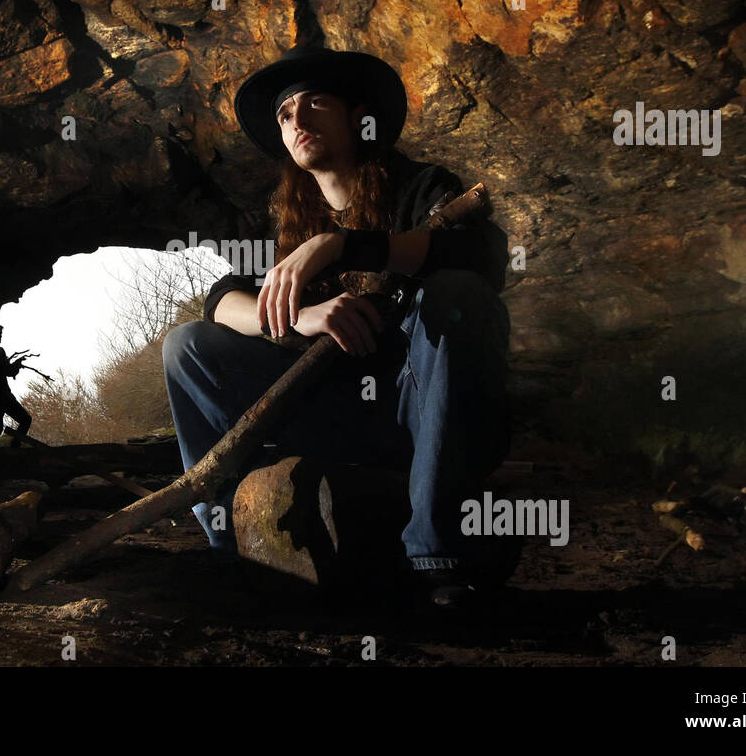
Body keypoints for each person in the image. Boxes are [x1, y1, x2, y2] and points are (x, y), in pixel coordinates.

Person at [161, 45, 515, 606]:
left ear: (357, 117)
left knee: (456, 291)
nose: (297, 121)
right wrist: (297, 317)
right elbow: (221, 300)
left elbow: (480, 258)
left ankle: (442, 551)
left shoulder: (419, 187)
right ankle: (230, 540)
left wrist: (343, 245)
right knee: (187, 346)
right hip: (326, 413)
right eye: (284, 115)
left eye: (315, 104)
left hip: (418, 411)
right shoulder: (283, 221)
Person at [0, 323, 33, 448]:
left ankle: (13, 448)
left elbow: (8, 371)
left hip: (5, 396)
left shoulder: (0, 351)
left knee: (25, 420)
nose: (0, 336)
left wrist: (16, 365)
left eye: (0, 333)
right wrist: (10, 366)